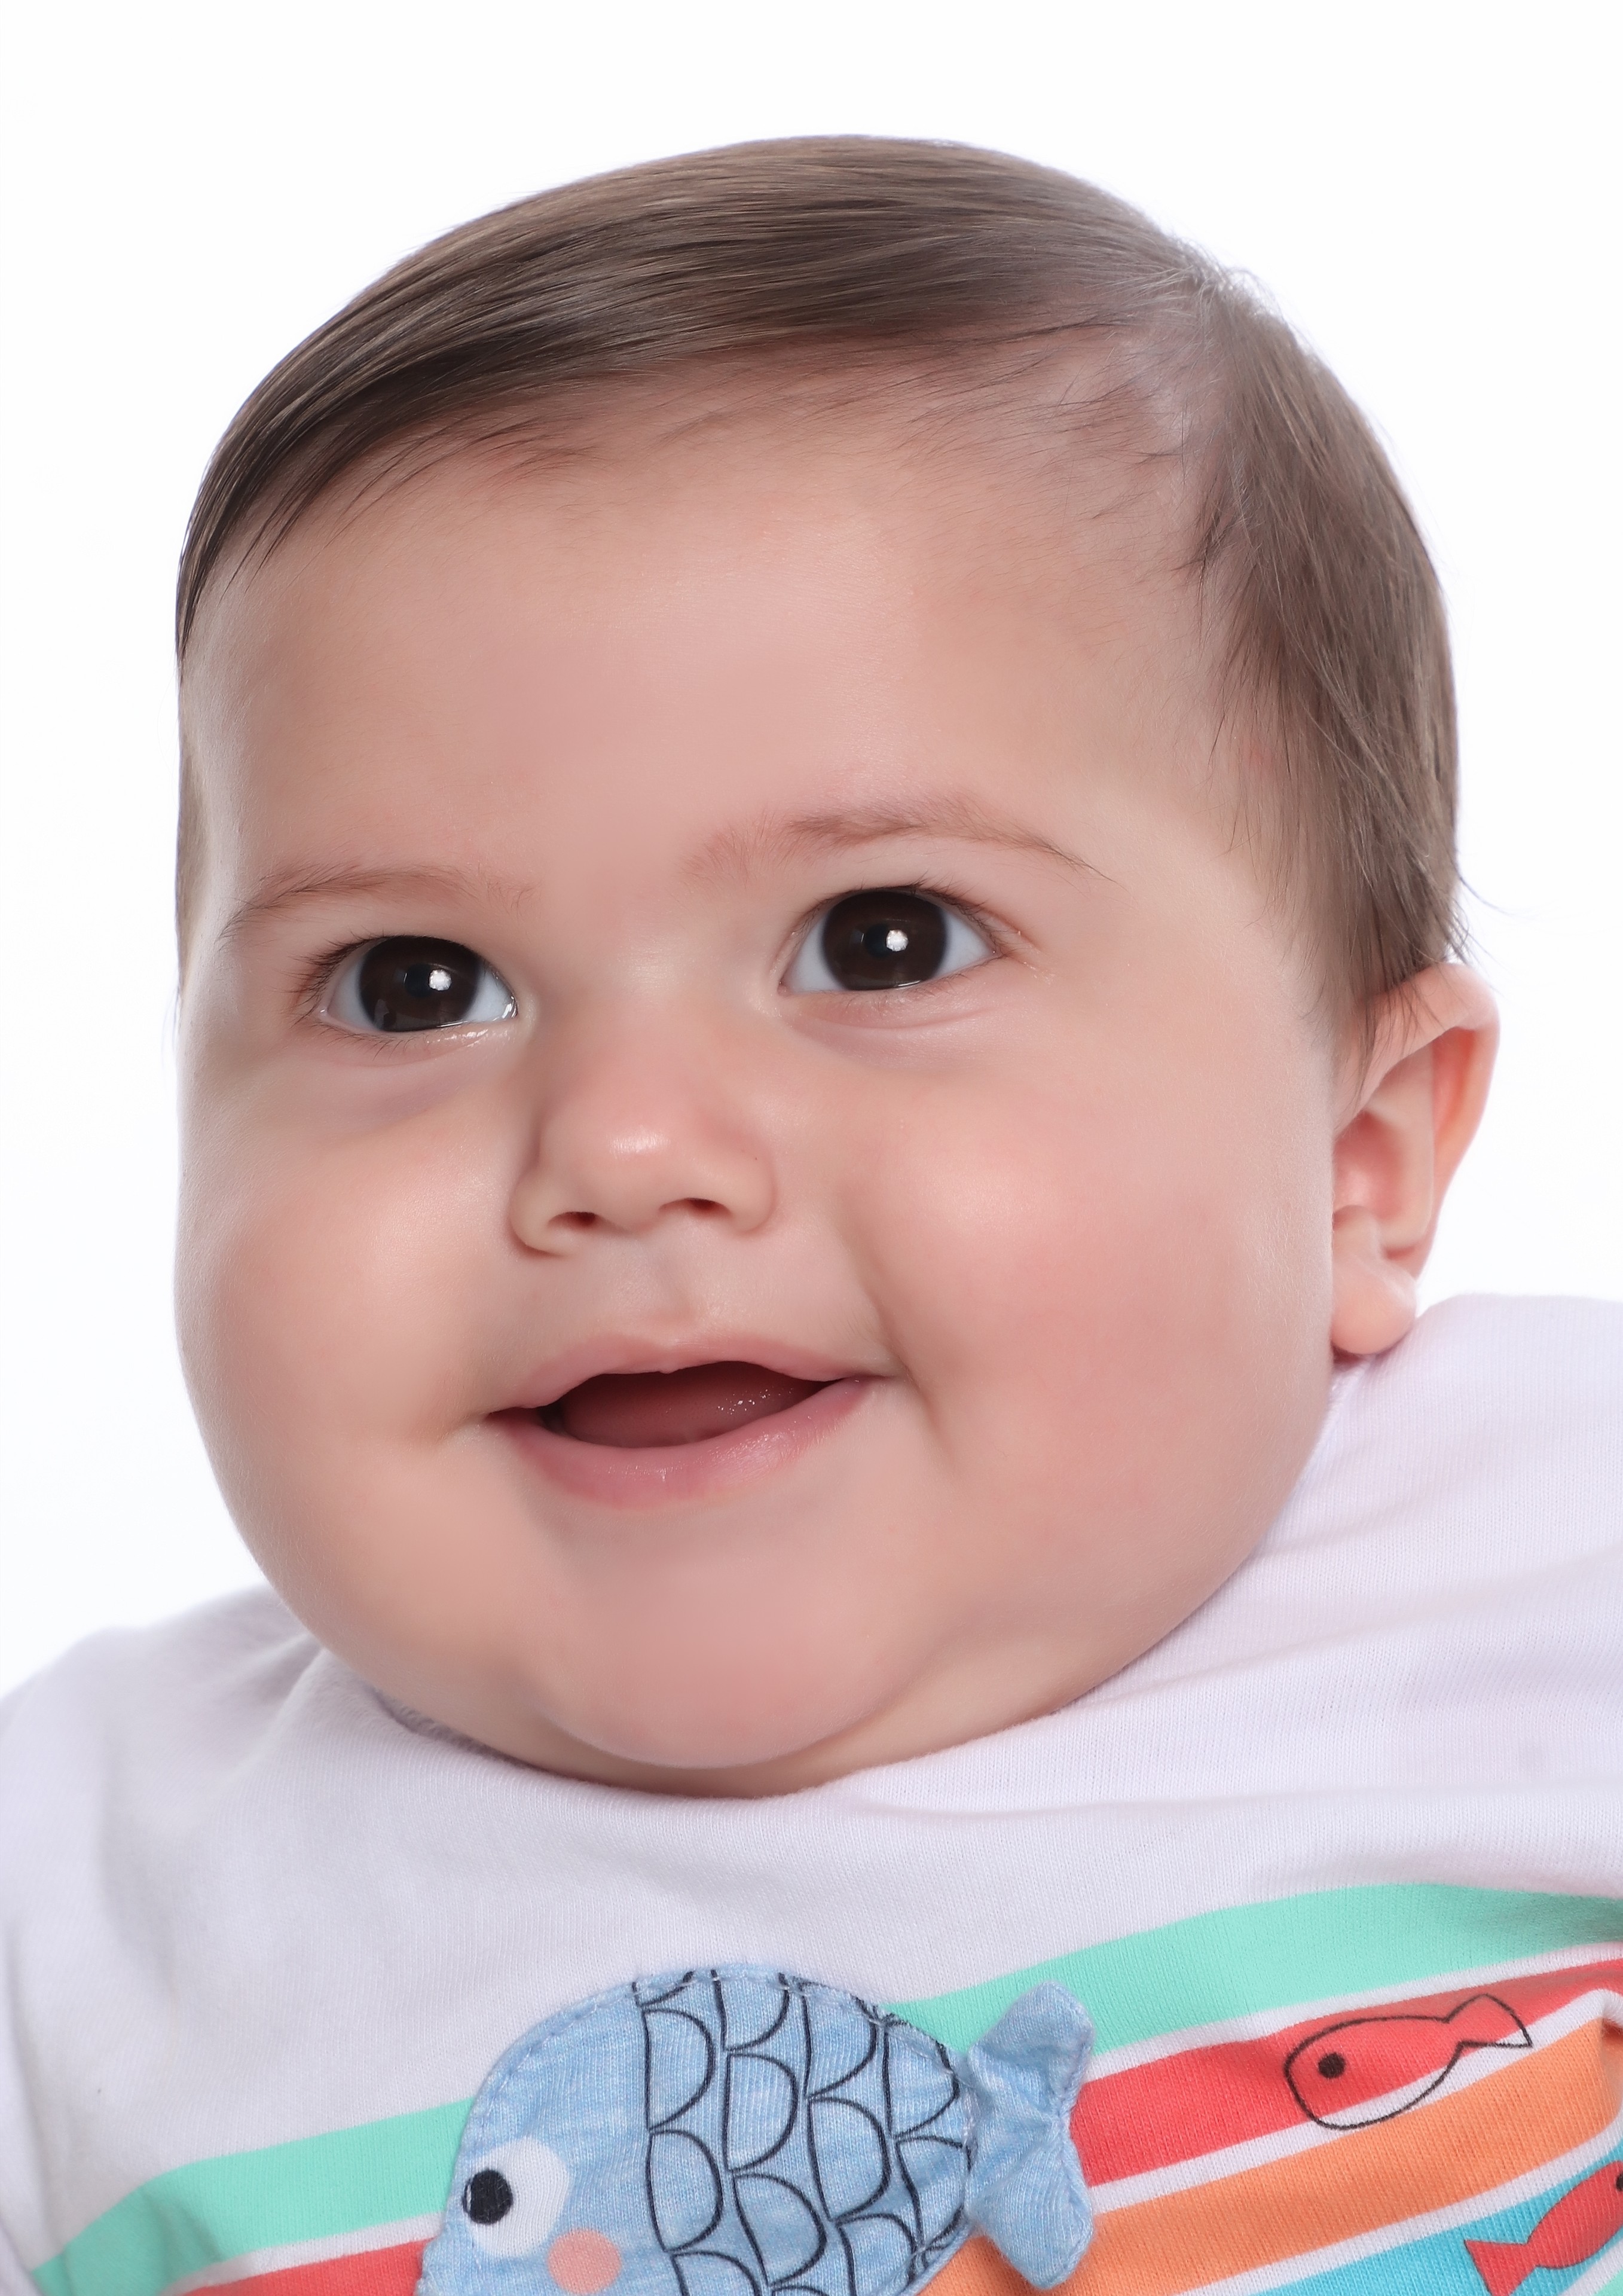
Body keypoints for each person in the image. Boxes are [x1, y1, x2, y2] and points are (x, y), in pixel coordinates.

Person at [1, 137, 1618, 2296]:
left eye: (880, 942)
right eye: (412, 986)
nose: (623, 1144)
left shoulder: (1557, 1554)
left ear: (1360, 1158)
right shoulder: (75, 1896)